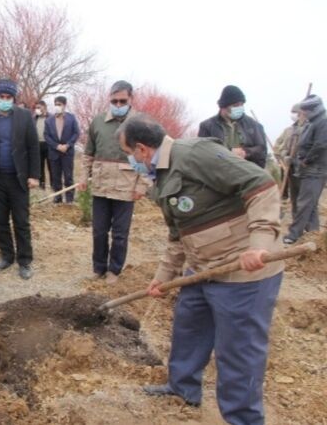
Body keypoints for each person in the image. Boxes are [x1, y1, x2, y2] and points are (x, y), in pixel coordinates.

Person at [118, 115, 283, 425]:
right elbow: (178, 235)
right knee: (189, 329)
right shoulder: (162, 175)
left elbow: (261, 184)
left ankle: (244, 419)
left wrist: (259, 243)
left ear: (141, 149)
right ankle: (183, 389)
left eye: (128, 153)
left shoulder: (194, 154)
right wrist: (162, 278)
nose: (131, 161)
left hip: (241, 270)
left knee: (238, 351)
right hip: (201, 268)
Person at [79, 80, 147, 283]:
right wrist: (83, 177)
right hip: (101, 185)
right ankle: (98, 268)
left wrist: (142, 185)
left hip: (126, 187)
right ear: (109, 99)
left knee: (120, 234)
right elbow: (88, 154)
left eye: (122, 101)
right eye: (114, 101)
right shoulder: (98, 122)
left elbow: (147, 158)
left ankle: (114, 270)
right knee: (99, 231)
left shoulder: (140, 124)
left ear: (131, 99)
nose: (118, 105)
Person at [0, 79, 40, 279]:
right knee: (0, 221)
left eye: (8, 97)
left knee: (21, 221)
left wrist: (34, 175)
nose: (4, 100)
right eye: (1, 97)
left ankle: (25, 260)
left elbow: (33, 147)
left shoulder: (25, 116)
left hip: (18, 178)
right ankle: (6, 256)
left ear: (13, 98)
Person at [283, 94, 327, 245]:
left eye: (305, 110)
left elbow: (320, 145)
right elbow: (304, 144)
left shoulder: (323, 122)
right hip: (307, 169)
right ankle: (314, 233)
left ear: (313, 109)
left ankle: (293, 234)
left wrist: (307, 161)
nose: (303, 113)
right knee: (311, 204)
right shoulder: (312, 122)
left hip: (315, 169)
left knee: (304, 203)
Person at [197, 85, 268, 168]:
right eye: (235, 105)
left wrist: (245, 152)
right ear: (223, 106)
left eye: (241, 104)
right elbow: (202, 153)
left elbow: (262, 150)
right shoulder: (207, 126)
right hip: (219, 172)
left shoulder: (254, 125)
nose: (239, 108)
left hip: (248, 172)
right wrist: (229, 152)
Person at [44, 95, 80, 203]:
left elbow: (76, 133)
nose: (57, 106)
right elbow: (46, 136)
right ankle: (57, 198)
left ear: (64, 105)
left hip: (67, 152)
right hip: (54, 153)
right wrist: (57, 146)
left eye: (59, 104)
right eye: (55, 104)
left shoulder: (71, 118)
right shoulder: (49, 120)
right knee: (56, 177)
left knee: (68, 177)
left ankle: (69, 199)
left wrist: (67, 145)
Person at [273, 103, 306, 202]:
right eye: (292, 112)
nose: (294, 114)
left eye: (295, 112)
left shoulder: (308, 128)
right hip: (287, 161)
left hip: (302, 162)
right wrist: (282, 154)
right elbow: (278, 144)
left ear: (301, 113)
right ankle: (285, 196)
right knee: (287, 179)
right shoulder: (288, 130)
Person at [34, 100, 52, 189]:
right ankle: (42, 184)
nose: (37, 109)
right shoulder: (34, 118)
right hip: (38, 144)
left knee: (51, 166)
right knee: (40, 166)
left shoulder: (51, 117)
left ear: (44, 107)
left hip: (48, 145)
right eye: (36, 108)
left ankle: (53, 185)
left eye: (39, 107)